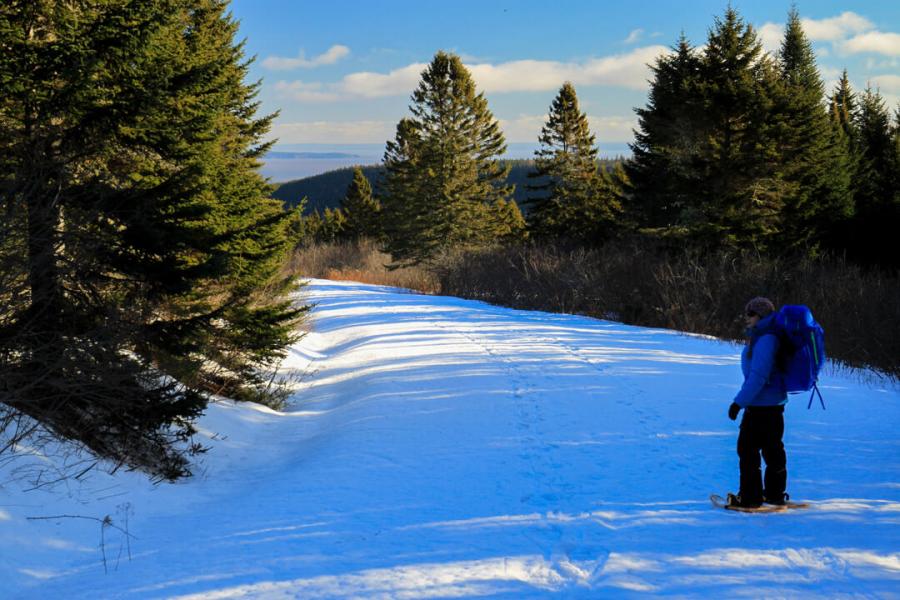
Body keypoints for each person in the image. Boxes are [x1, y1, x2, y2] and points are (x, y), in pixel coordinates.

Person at [726, 297, 789, 508]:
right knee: (772, 450)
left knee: (747, 450)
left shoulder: (766, 339)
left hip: (761, 406)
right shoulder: (765, 336)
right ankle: (773, 494)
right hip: (772, 405)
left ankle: (751, 498)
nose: (746, 318)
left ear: (761, 316)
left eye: (750, 314)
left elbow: (758, 377)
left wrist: (738, 403)